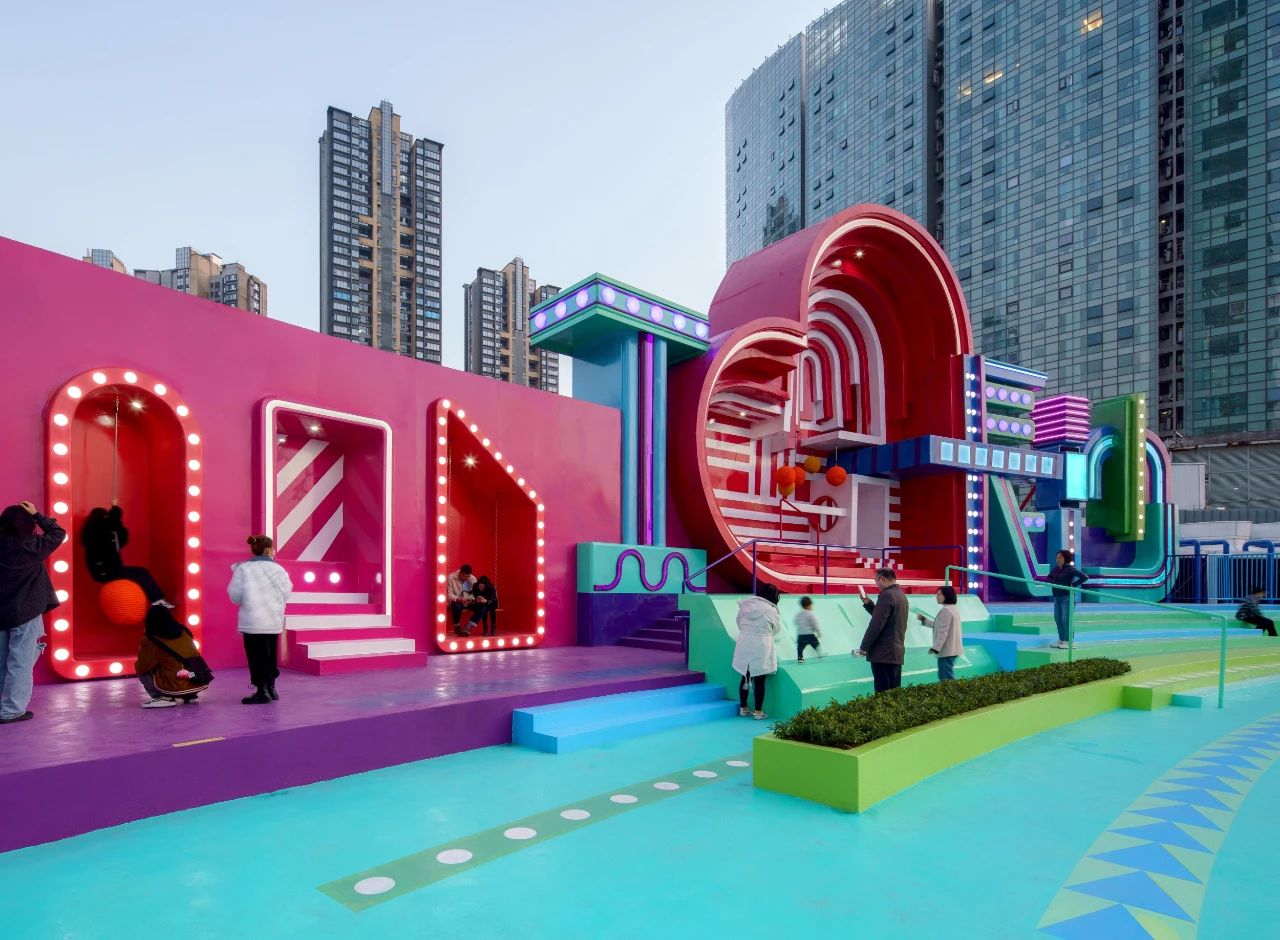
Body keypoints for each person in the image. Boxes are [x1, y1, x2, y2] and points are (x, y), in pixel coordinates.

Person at [0, 502, 63, 725]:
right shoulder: (32, 546)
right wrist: (37, 514)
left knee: (2, 663)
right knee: (21, 663)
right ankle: (11, 711)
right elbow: (58, 533)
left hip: (2, 612)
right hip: (25, 612)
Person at [228, 535, 292, 705]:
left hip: (252, 621)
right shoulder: (279, 569)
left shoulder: (244, 569)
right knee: (270, 655)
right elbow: (287, 592)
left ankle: (261, 690)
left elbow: (235, 595)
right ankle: (271, 687)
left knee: (256, 657)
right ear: (269, 549)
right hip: (273, 621)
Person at [81, 505, 170, 605]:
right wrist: (115, 512)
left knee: (140, 574)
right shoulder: (94, 528)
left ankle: (155, 600)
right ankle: (157, 600)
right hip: (105, 571)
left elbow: (121, 538)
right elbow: (110, 524)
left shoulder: (101, 532)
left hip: (106, 570)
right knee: (142, 573)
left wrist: (117, 522)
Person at [134, 606, 210, 707]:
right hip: (198, 680)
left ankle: (162, 698)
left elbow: (142, 666)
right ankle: (189, 696)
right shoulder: (184, 631)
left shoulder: (150, 639)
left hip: (173, 687)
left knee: (143, 670)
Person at [854, 568, 909, 693]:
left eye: (876, 580)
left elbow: (876, 625)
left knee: (883, 694)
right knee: (894, 692)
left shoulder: (886, 596)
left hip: (883, 654)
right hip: (895, 652)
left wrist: (863, 647)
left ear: (882, 579)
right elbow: (885, 618)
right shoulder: (901, 595)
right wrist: (868, 603)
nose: (876, 584)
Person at [732, 583, 780, 719]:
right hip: (761, 645)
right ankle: (758, 712)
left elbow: (738, 622)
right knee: (760, 679)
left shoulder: (745, 606)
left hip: (744, 642)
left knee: (744, 676)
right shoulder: (772, 610)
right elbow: (776, 629)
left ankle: (743, 708)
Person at [918, 586, 964, 681]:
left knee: (945, 678)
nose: (937, 596)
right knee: (946, 676)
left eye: (939, 594)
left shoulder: (946, 610)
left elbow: (943, 631)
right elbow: (940, 626)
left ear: (946, 596)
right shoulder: (952, 608)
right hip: (952, 650)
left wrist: (936, 648)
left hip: (947, 651)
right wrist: (925, 621)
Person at [1048, 549, 1089, 649]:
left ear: (1065, 558)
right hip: (1057, 597)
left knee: (1066, 620)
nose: (1058, 559)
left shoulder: (1070, 569)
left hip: (1067, 598)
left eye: (1060, 557)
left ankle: (1069, 641)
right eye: (1057, 557)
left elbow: (1085, 577)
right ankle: (1061, 640)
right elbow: (1049, 577)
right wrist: (1054, 583)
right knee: (1058, 619)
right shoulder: (1056, 569)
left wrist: (1073, 585)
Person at [447, 564, 477, 635]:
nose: (466, 578)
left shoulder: (472, 578)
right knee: (457, 606)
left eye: (468, 576)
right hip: (457, 600)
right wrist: (459, 599)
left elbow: (475, 593)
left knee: (482, 606)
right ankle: (457, 627)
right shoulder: (451, 577)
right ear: (460, 573)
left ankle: (468, 626)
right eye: (464, 576)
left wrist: (471, 599)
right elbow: (449, 594)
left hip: (468, 601)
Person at [794, 596, 822, 663]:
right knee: (816, 643)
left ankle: (800, 658)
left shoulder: (799, 614)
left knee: (800, 647)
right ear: (809, 605)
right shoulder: (810, 614)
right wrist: (818, 631)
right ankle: (819, 654)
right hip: (809, 634)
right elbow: (815, 623)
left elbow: (796, 622)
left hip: (801, 635)